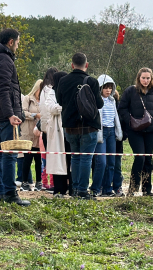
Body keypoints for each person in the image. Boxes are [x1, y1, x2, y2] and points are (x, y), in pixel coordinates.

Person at [0, 28, 30, 206]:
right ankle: (9, 193)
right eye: (17, 42)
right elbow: (3, 90)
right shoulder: (4, 59)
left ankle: (0, 193)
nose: (18, 46)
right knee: (9, 154)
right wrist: (11, 114)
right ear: (11, 42)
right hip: (4, 116)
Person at [56, 53, 103, 199]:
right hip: (88, 125)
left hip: (69, 126)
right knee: (86, 158)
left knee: (75, 158)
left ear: (72, 65)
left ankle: (75, 189)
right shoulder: (92, 81)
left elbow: (59, 101)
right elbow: (100, 104)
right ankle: (83, 190)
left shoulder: (63, 81)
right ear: (86, 65)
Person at [118, 67, 153, 196]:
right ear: (139, 78)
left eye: (148, 78)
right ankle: (132, 189)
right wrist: (130, 121)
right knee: (140, 158)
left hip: (151, 131)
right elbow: (122, 108)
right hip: (135, 131)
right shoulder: (130, 91)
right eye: (143, 78)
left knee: (148, 160)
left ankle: (146, 190)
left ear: (151, 79)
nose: (145, 80)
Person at [90, 74, 123, 197]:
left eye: (110, 88)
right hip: (101, 133)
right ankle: (95, 188)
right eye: (105, 88)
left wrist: (118, 132)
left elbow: (115, 118)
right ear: (100, 88)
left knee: (111, 162)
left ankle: (107, 189)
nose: (108, 90)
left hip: (111, 132)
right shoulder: (97, 101)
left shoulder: (112, 101)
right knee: (101, 162)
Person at [48, 71, 71, 197]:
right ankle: (59, 188)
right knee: (58, 159)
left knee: (70, 159)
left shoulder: (68, 90)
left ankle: (71, 186)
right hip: (57, 130)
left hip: (69, 128)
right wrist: (64, 106)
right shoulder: (51, 92)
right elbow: (51, 108)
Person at [20, 79, 42, 191]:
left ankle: (39, 181)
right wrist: (35, 115)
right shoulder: (27, 99)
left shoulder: (44, 100)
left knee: (38, 159)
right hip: (28, 132)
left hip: (38, 133)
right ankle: (24, 182)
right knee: (27, 158)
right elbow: (23, 113)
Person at [39, 67, 58, 190]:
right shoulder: (51, 91)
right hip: (52, 126)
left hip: (44, 127)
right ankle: (53, 182)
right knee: (53, 155)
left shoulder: (43, 90)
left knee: (48, 155)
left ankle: (48, 182)